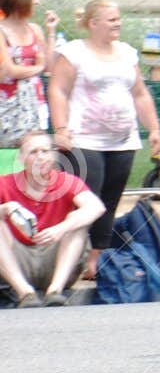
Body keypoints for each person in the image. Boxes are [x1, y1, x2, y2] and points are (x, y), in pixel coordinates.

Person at [47, 0, 160, 274]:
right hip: (83, 140)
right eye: (111, 19)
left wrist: (155, 129)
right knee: (85, 201)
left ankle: (95, 259)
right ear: (93, 23)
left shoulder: (126, 53)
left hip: (122, 141)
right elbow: (58, 90)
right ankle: (66, 257)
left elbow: (140, 93)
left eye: (118, 18)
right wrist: (61, 128)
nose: (118, 23)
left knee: (109, 202)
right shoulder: (74, 52)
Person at [0, 130, 104, 306]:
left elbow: (97, 207)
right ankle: (25, 294)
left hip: (56, 260)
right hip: (18, 261)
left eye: (45, 151)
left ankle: (55, 291)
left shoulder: (66, 181)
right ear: (21, 158)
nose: (41, 157)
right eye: (33, 152)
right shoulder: (5, 183)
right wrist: (6, 208)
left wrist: (61, 228)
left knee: (77, 219)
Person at [0, 0, 58, 162]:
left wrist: (50, 32)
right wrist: (38, 67)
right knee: (9, 155)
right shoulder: (2, 31)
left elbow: (49, 66)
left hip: (35, 102)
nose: (38, 2)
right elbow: (9, 70)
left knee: (35, 153)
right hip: (8, 105)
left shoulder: (34, 30)